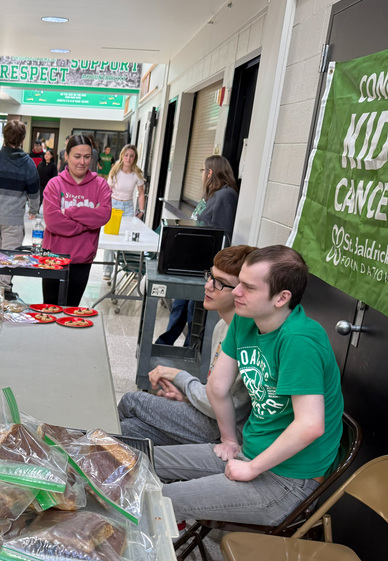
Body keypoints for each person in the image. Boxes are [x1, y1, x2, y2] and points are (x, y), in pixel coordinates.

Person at [153, 245, 344, 527]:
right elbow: (217, 386)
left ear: (281, 298)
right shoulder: (247, 319)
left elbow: (311, 425)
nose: (237, 292)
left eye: (248, 287)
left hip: (289, 481)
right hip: (248, 452)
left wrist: (251, 466)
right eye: (238, 282)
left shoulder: (300, 340)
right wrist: (229, 441)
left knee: (158, 501)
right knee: (140, 459)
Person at [118, 244, 256, 446]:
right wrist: (186, 398)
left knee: (133, 401)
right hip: (210, 416)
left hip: (223, 429)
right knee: (128, 430)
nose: (208, 286)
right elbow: (213, 392)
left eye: (220, 283)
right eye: (210, 276)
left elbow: (225, 406)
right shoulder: (221, 326)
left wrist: (179, 376)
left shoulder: (247, 337)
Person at [157, 155, 240, 347]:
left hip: (204, 264)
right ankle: (167, 342)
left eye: (203, 171)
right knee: (179, 305)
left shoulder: (225, 195)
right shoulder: (211, 194)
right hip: (190, 260)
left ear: (210, 172)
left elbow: (222, 234)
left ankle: (191, 348)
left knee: (194, 308)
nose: (202, 175)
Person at [40, 134, 112, 307]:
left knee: (72, 310)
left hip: (82, 260)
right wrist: (87, 224)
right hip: (53, 258)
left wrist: (70, 211)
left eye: (87, 157)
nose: (82, 162)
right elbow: (53, 222)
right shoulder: (54, 185)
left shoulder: (100, 185)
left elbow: (103, 215)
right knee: (49, 309)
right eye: (77, 156)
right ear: (66, 156)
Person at [0, 120, 40, 300]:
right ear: (23, 139)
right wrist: (34, 209)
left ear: (4, 136)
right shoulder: (28, 163)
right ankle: (4, 289)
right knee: (10, 255)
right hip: (13, 218)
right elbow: (34, 191)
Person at [103, 145, 146, 281]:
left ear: (135, 158)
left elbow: (141, 193)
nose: (128, 158)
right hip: (114, 205)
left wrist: (141, 210)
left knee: (128, 238)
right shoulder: (115, 171)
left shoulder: (137, 174)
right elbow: (107, 191)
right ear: (122, 156)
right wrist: (105, 207)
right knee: (110, 238)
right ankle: (107, 270)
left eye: (131, 156)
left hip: (128, 206)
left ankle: (130, 269)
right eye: (126, 155)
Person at [36, 147, 58, 214]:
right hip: (40, 184)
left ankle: (48, 212)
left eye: (48, 154)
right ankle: (36, 210)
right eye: (45, 154)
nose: (46, 155)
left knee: (48, 199)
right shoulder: (40, 164)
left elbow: (54, 176)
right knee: (39, 197)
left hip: (48, 185)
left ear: (51, 156)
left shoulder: (53, 165)